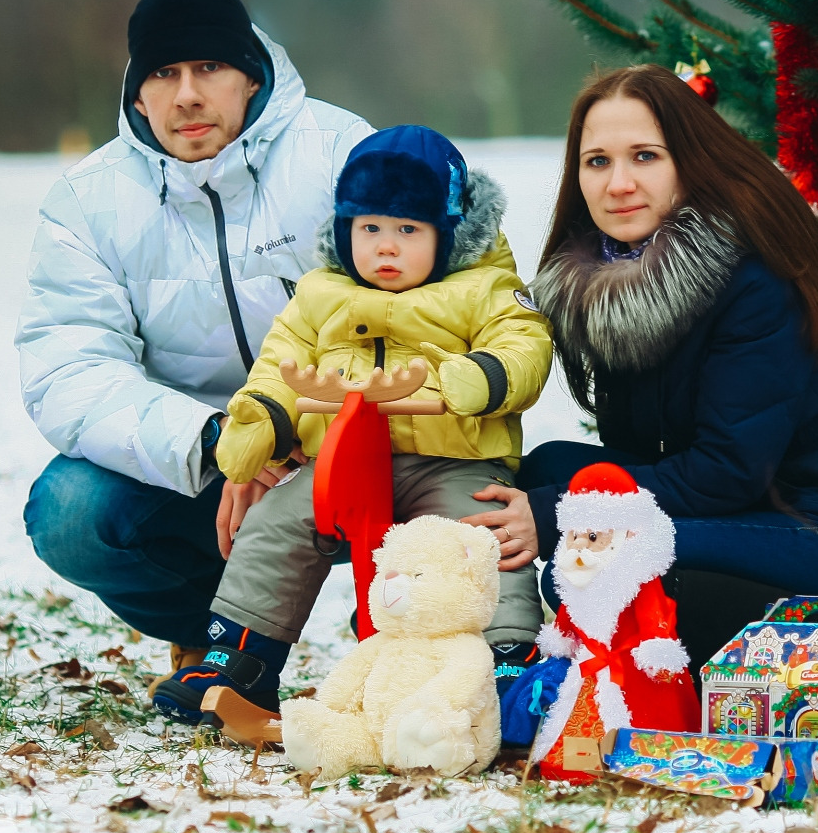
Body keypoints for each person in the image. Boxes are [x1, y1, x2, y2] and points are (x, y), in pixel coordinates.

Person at [462, 64, 818, 662]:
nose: (618, 183)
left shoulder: (752, 277)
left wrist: (555, 516)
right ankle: (463, 634)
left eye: (644, 156)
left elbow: (727, 472)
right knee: (543, 470)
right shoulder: (611, 284)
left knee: (589, 565)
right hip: (733, 508)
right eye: (597, 161)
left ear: (690, 162)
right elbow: (651, 462)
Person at [18, 0, 368, 678]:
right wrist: (218, 445)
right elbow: (72, 369)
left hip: (348, 440)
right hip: (199, 458)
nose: (187, 95)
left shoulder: (341, 152)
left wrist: (290, 428)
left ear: (249, 75)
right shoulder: (88, 203)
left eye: (208, 67)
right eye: (163, 73)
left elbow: (413, 314)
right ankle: (210, 634)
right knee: (68, 511)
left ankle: (420, 655)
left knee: (460, 474)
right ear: (137, 93)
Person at [151, 126, 553, 722]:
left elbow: (525, 346)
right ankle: (240, 658)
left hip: (452, 459)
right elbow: (280, 365)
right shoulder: (320, 294)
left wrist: (476, 376)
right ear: (345, 231)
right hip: (341, 454)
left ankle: (506, 662)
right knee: (276, 521)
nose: (386, 248)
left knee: (483, 533)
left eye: (408, 231)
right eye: (370, 229)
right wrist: (261, 418)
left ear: (449, 234)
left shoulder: (484, 287)